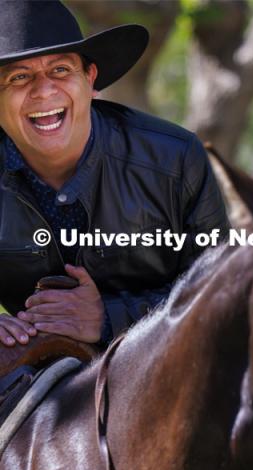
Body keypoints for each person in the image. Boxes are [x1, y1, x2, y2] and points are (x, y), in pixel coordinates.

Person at [0, 1, 229, 349]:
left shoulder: (176, 159)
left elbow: (223, 288)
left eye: (61, 70)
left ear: (90, 79)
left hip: (166, 361)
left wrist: (110, 317)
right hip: (26, 368)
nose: (44, 91)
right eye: (19, 77)